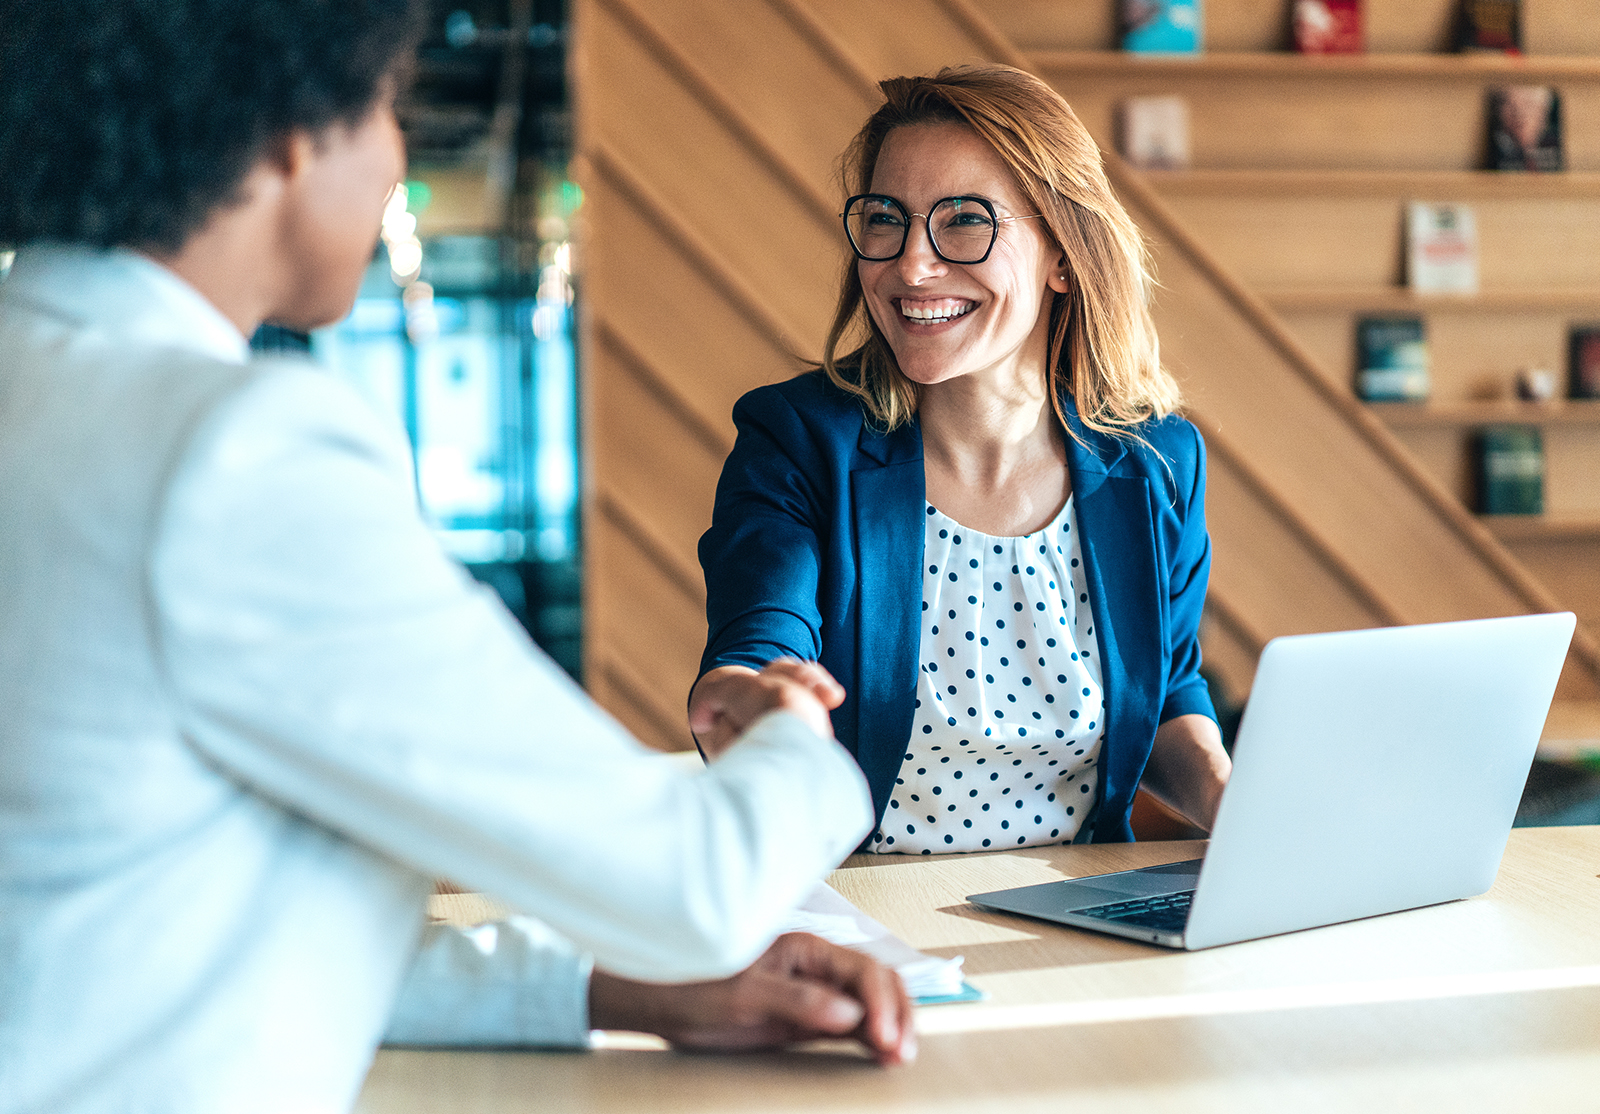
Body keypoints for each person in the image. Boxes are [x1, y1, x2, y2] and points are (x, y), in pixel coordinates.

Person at [0, 3, 913, 1111]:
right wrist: (796, 740)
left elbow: (122, 942)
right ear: (293, 132)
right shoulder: (230, 453)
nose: (396, 156)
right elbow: (697, 884)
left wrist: (614, 991)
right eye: (389, 106)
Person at [690, 65, 1232, 853]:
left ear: (1063, 256)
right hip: (862, 916)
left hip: (1077, 912)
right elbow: (757, 644)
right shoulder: (798, 439)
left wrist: (1230, 799)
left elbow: (1169, 686)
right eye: (886, 219)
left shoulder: (1158, 461)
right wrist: (750, 699)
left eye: (966, 222)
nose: (912, 266)